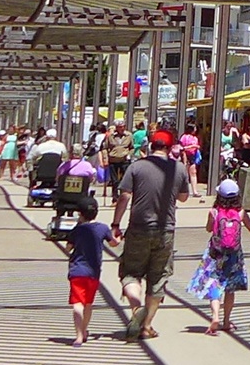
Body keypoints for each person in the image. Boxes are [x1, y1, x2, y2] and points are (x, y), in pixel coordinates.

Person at [111, 126, 191, 341]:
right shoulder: (179, 168)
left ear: (151, 145)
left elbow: (125, 196)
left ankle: (137, 309)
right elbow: (184, 197)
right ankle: (146, 326)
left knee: (130, 272)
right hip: (165, 230)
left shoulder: (137, 167)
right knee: (158, 278)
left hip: (138, 227)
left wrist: (116, 224)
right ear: (170, 147)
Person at [191, 178, 250, 335]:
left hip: (215, 253)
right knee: (230, 289)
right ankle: (226, 321)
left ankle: (215, 316)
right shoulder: (241, 213)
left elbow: (208, 228)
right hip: (234, 255)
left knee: (214, 285)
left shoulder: (214, 212)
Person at [65, 194, 111, 345]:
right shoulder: (103, 228)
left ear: (80, 214)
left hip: (77, 271)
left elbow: (68, 248)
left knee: (77, 303)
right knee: (88, 304)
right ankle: (84, 330)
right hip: (93, 273)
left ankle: (78, 335)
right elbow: (114, 243)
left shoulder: (77, 230)